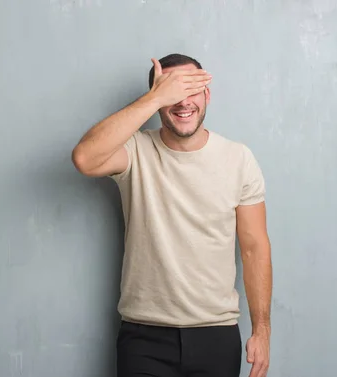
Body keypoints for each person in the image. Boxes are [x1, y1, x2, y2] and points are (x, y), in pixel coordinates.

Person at [71, 53, 272, 377]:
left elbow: (254, 248)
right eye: (172, 92)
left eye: (191, 90)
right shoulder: (134, 151)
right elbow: (83, 158)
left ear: (207, 95)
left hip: (216, 335)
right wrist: (154, 98)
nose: (182, 103)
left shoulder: (238, 159)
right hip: (144, 338)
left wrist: (262, 332)